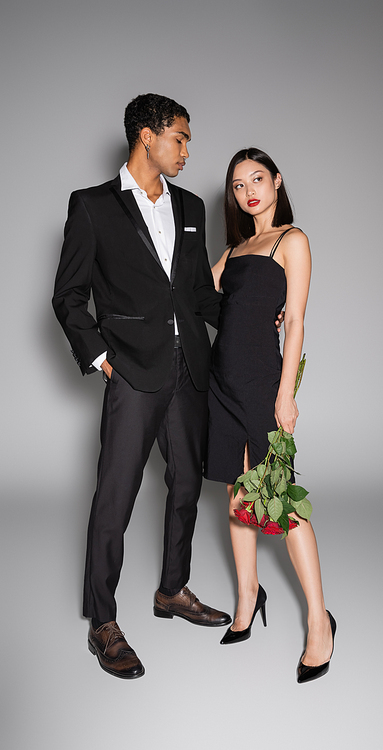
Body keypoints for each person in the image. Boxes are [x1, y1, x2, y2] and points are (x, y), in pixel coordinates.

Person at [52, 94, 232, 680]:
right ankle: (102, 621)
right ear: (147, 136)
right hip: (132, 370)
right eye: (179, 137)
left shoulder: (189, 206)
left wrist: (247, 315)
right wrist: (101, 357)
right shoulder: (91, 207)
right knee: (115, 497)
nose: (185, 151)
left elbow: (197, 295)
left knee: (185, 485)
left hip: (188, 371)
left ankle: (172, 590)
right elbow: (68, 297)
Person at [205, 148, 336, 683]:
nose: (248, 191)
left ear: (277, 182)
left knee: (279, 499)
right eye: (237, 185)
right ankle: (246, 598)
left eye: (257, 179)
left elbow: (297, 321)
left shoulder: (292, 240)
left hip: (262, 383)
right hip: (221, 384)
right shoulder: (235, 249)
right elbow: (196, 297)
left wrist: (286, 394)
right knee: (236, 494)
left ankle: (318, 621)